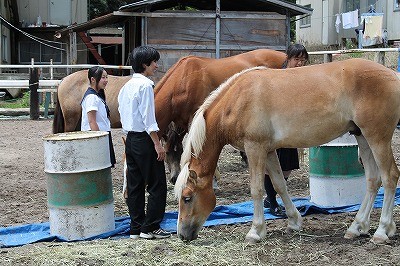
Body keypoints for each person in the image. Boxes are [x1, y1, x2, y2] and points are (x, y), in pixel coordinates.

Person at [118, 46, 171, 239]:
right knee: (157, 185)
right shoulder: (146, 86)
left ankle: (136, 227)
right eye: (154, 62)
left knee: (135, 185)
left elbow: (122, 111)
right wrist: (157, 144)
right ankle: (150, 227)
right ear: (144, 64)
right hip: (145, 139)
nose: (157, 65)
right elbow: (149, 119)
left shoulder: (126, 87)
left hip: (131, 139)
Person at [264, 43, 309, 217]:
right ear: (288, 59)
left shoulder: (304, 77)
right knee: (271, 165)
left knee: (288, 167)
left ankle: (270, 197)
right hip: (276, 127)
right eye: (296, 59)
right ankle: (273, 202)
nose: (300, 63)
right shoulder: (278, 77)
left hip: (293, 127)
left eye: (303, 60)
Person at [81, 66, 116, 167]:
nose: (106, 80)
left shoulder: (96, 96)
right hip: (95, 135)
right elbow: (92, 121)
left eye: (106, 77)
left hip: (101, 134)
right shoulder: (91, 97)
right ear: (93, 79)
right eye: (103, 77)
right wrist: (98, 141)